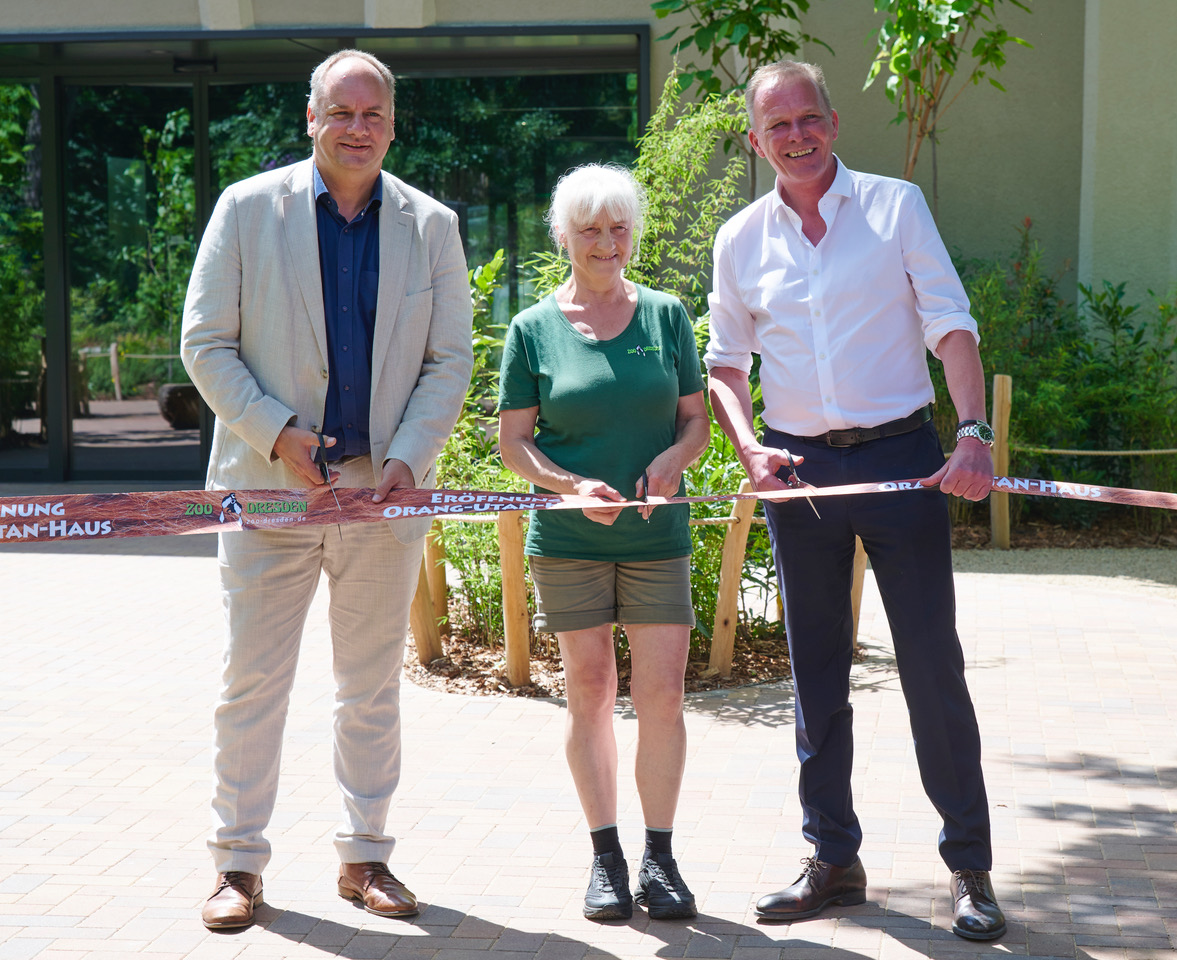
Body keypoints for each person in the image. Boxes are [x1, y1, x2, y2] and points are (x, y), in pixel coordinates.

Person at [704, 60, 1006, 942]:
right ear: (755, 141)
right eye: (776, 127)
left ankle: (968, 866)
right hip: (796, 476)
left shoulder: (894, 207)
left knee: (930, 667)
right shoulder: (740, 239)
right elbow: (725, 366)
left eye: (808, 120)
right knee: (815, 673)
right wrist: (748, 445)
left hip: (902, 461)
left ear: (833, 122)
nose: (795, 138)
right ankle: (831, 856)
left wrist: (972, 433)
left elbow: (949, 324)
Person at [181, 49, 473, 930]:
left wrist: (410, 457)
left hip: (382, 498)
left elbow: (447, 360)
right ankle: (237, 865)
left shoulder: (431, 225)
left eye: (372, 114)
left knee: (371, 685)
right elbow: (205, 341)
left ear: (392, 124)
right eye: (339, 112)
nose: (356, 128)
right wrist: (274, 430)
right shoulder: (246, 209)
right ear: (309, 119)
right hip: (269, 492)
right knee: (252, 683)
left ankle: (366, 857)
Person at [497, 164, 710, 922]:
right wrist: (565, 486)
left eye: (618, 226)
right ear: (563, 236)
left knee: (662, 694)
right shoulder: (532, 329)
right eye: (589, 228)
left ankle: (658, 855)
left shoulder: (666, 317)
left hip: (658, 535)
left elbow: (696, 421)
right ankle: (605, 858)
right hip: (567, 540)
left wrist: (670, 462)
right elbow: (514, 444)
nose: (606, 241)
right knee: (588, 691)